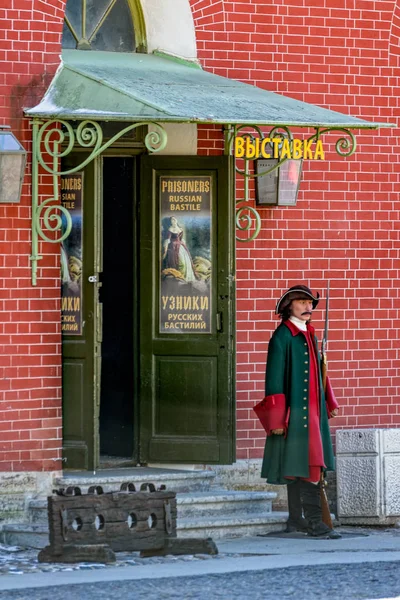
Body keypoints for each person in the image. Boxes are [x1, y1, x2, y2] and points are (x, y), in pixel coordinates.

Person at [261, 285, 341, 539]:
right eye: (302, 302)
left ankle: (296, 519)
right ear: (289, 306)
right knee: (305, 465)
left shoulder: (311, 334)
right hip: (294, 415)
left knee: (302, 464)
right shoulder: (282, 337)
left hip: (314, 413)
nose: (309, 307)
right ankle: (315, 523)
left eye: (310, 303)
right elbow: (273, 380)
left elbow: (319, 372)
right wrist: (276, 419)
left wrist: (330, 401)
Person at [162, 216, 197, 283]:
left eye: (175, 219)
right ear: (170, 222)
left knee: (186, 262)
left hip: (181, 246)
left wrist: (183, 246)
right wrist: (165, 250)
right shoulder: (170, 229)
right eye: (172, 219)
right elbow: (167, 240)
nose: (174, 220)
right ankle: (180, 278)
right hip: (173, 247)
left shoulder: (180, 229)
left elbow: (180, 239)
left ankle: (185, 278)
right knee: (179, 263)